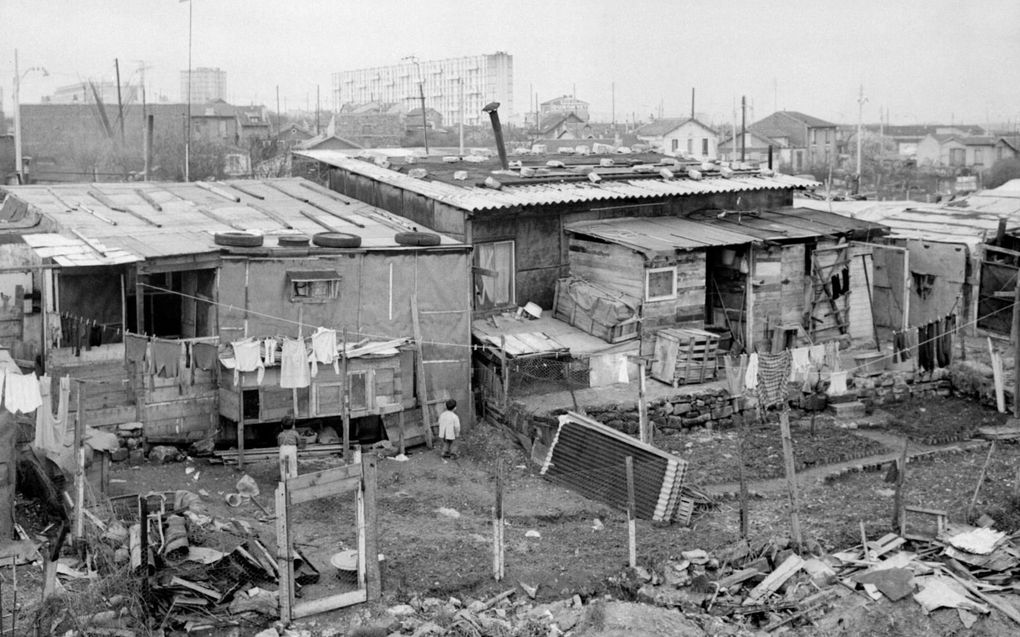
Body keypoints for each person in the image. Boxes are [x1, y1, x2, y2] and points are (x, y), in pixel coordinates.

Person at [277, 413, 304, 480]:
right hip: (292, 450)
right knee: (293, 466)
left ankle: (285, 480)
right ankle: (294, 481)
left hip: (283, 450)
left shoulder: (280, 435)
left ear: (281, 426)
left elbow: (279, 443)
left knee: (284, 467)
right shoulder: (295, 433)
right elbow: (299, 441)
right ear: (293, 426)